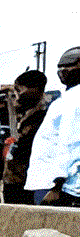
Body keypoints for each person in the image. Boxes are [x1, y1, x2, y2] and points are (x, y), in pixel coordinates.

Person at [26, 46, 80, 207]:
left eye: (67, 66)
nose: (62, 71)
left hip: (59, 187)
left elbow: (70, 144)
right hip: (52, 182)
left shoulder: (75, 99)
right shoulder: (68, 97)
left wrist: (57, 185)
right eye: (60, 67)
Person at [2, 70, 49, 204]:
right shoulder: (24, 113)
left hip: (31, 182)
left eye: (20, 90)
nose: (17, 96)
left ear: (35, 90)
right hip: (14, 179)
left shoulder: (44, 116)